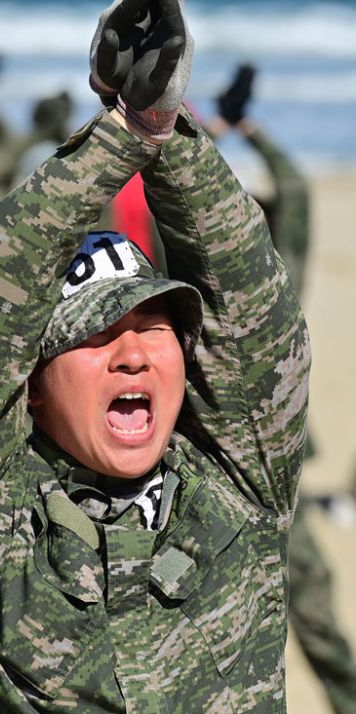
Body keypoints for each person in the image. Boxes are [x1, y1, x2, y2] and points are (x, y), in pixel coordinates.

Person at [0, 0, 311, 711]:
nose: (132, 355)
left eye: (153, 325)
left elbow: (250, 307)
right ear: (29, 383)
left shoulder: (237, 490)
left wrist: (161, 127)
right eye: (96, 334)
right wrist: (117, 140)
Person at [211, 63, 356, 714]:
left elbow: (292, 191)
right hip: (222, 478)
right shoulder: (197, 281)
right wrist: (232, 130)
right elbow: (176, 195)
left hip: (269, 475)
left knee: (315, 613)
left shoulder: (277, 275)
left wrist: (232, 128)